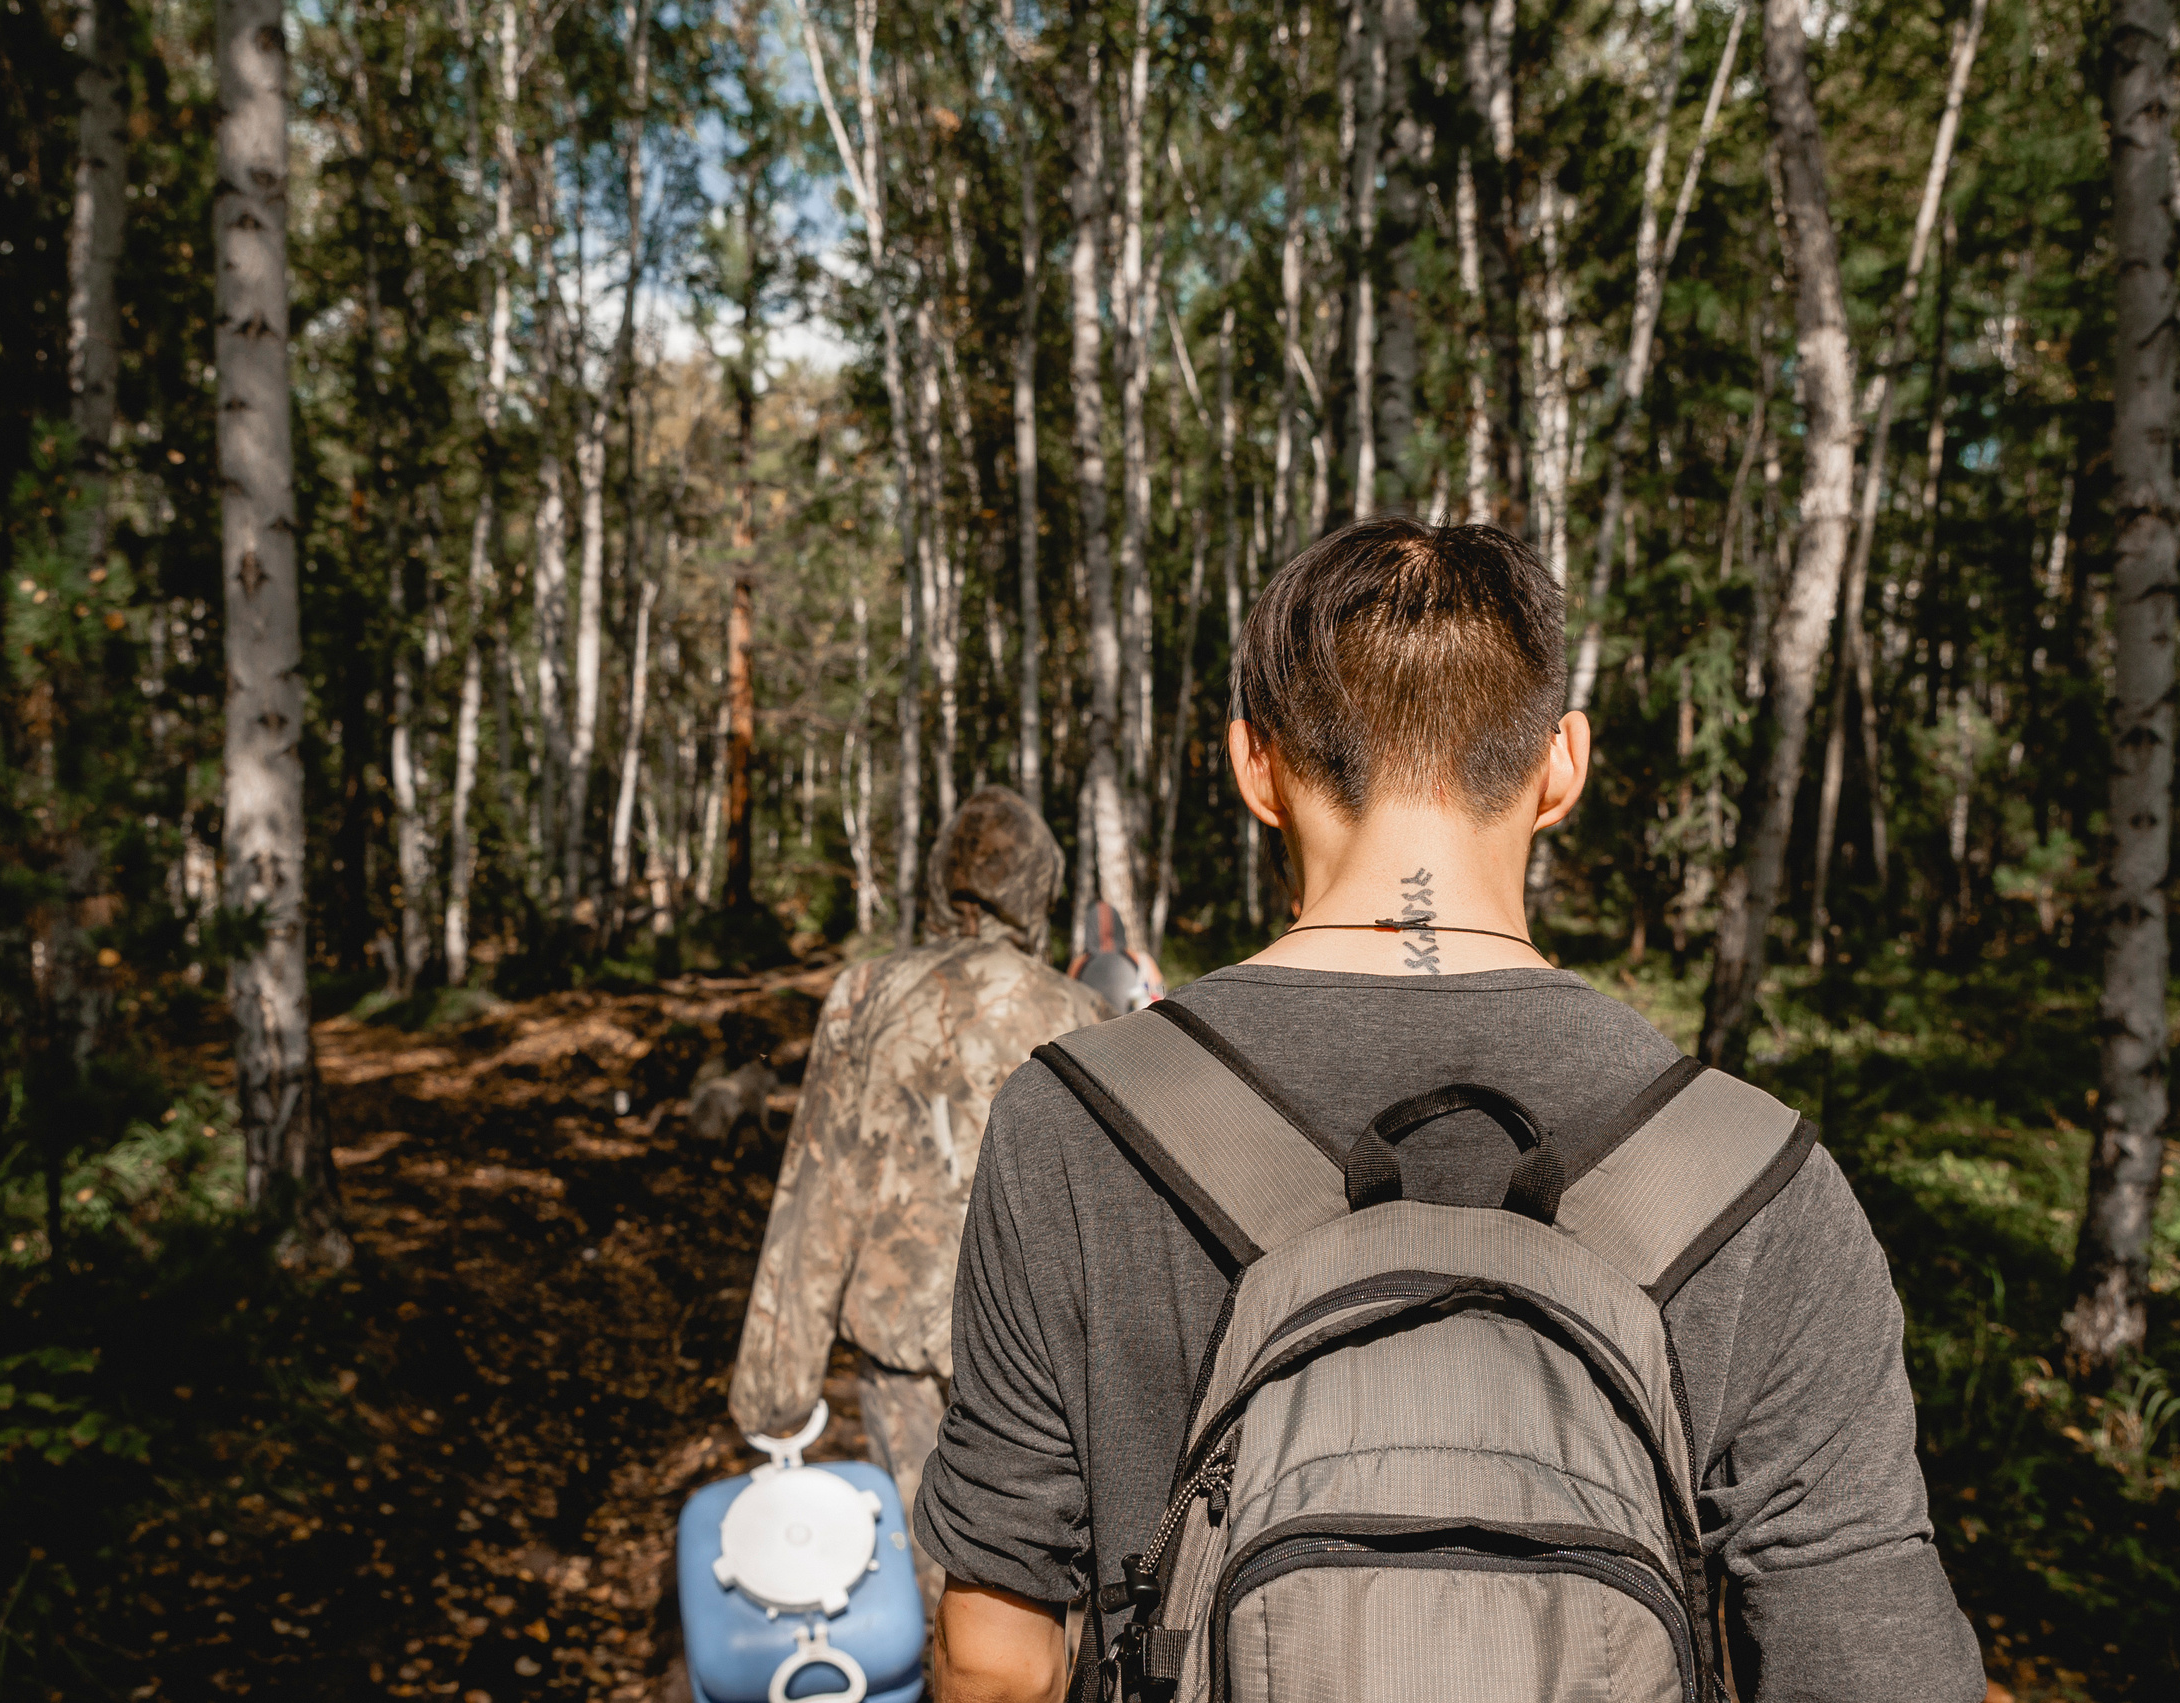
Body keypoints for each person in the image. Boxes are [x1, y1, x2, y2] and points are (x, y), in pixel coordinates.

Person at [913, 518, 1985, 1702]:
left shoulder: (1073, 1123)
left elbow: (997, 1660)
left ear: (1252, 765)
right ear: (1563, 765)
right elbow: (1867, 1662)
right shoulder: (1756, 1178)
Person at [730, 785, 1114, 1607]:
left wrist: (774, 1390)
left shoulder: (866, 995)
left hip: (900, 1342)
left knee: (937, 1586)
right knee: (1041, 1593)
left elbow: (816, 1191)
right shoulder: (1086, 1013)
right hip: (1037, 1355)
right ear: (1038, 888)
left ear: (941, 879)